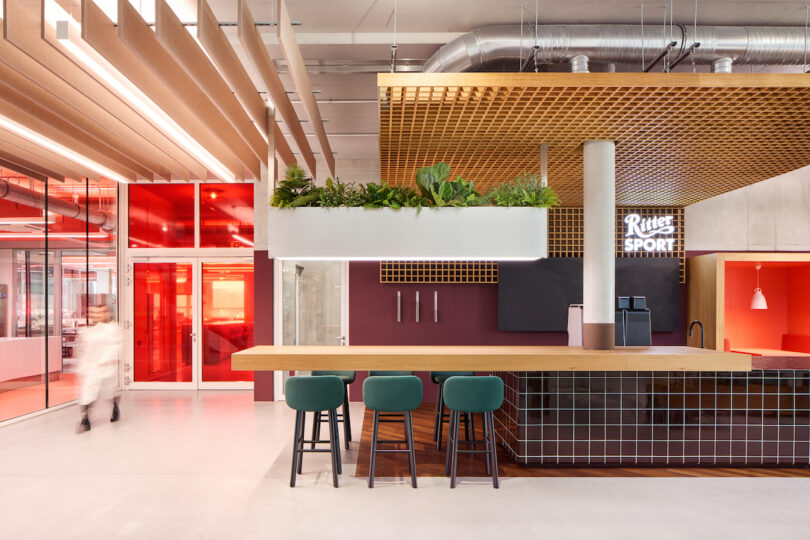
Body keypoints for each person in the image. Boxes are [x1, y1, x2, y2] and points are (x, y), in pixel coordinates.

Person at [76, 304, 121, 433]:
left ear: (106, 313)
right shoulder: (86, 331)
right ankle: (85, 419)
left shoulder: (113, 328)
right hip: (91, 367)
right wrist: (83, 366)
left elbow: (115, 346)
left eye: (100, 313)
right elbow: (83, 350)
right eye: (94, 313)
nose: (98, 315)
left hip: (107, 366)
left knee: (109, 391)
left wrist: (106, 360)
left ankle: (115, 407)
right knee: (88, 392)